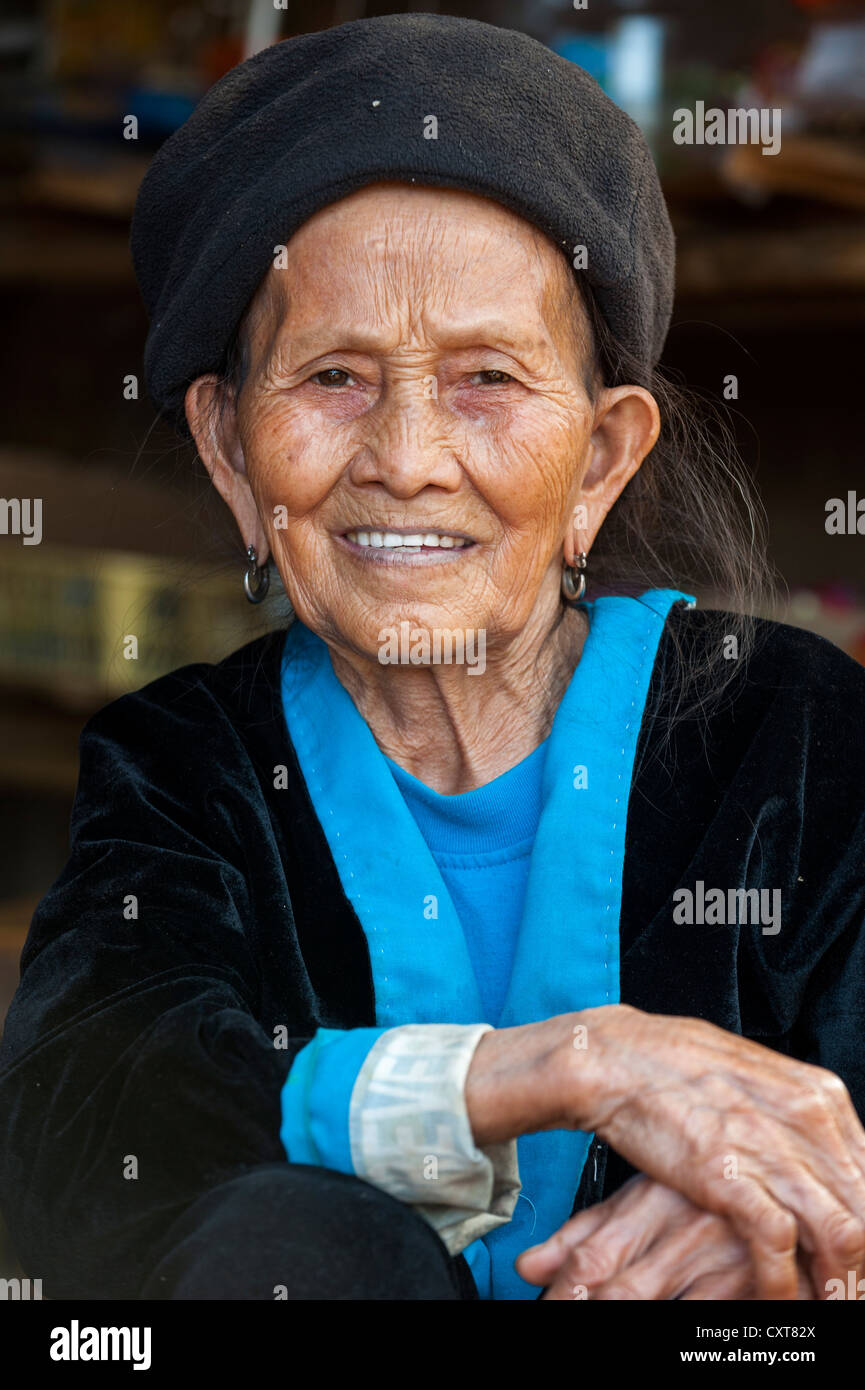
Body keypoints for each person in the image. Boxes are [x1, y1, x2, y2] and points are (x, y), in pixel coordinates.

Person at [1, 13, 864, 1302]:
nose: (407, 455)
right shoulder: (184, 769)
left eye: (487, 380)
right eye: (336, 376)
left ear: (602, 461)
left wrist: (810, 1221)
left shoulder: (796, 737)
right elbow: (85, 1132)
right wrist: (562, 1065)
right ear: (234, 455)